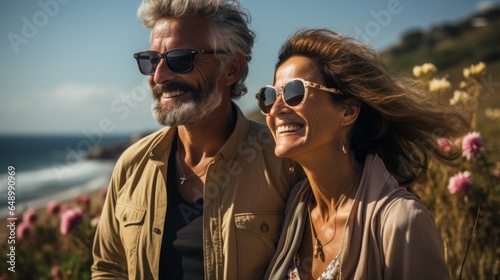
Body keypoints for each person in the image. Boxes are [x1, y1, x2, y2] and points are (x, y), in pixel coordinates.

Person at [91, 0, 304, 279]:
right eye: (152, 60)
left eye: (180, 59)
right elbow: (110, 267)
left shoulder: (284, 163)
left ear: (232, 69)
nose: (159, 76)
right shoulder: (132, 165)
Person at [257, 29, 469, 279]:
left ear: (347, 111)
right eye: (270, 96)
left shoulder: (401, 222)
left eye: (294, 92)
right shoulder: (296, 208)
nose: (276, 109)